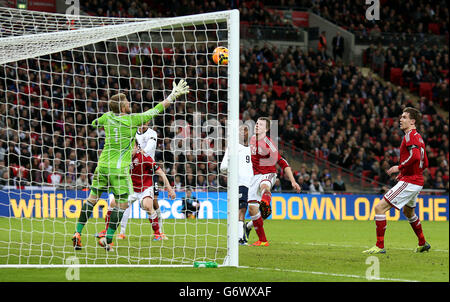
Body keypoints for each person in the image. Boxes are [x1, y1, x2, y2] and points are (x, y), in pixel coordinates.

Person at [72, 79, 189, 251]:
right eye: (127, 103)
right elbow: (157, 109)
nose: (129, 104)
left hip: (102, 165)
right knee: (122, 205)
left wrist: (103, 122)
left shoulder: (107, 117)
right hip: (119, 169)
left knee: (92, 199)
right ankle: (108, 239)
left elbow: (93, 123)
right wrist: (173, 95)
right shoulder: (134, 120)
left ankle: (77, 233)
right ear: (122, 107)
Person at [363, 107, 430, 254]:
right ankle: (423, 243)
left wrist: (399, 168)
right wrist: (407, 172)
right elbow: (425, 163)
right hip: (416, 181)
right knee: (409, 212)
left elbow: (416, 157)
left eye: (405, 117)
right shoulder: (418, 137)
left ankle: (379, 246)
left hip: (411, 181)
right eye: (401, 117)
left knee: (379, 208)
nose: (401, 120)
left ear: (412, 121)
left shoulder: (410, 136)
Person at [244, 117, 301, 246]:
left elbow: (282, 162)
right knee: (253, 210)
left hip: (268, 174)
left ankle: (266, 202)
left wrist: (293, 181)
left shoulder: (268, 143)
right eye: (257, 123)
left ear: (267, 129)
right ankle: (261, 239)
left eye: (261, 124)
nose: (257, 125)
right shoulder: (252, 139)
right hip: (254, 177)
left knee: (265, 186)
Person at [220, 125, 253, 245]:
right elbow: (223, 167)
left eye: (246, 131)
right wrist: (234, 167)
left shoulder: (252, 149)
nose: (244, 133)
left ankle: (247, 227)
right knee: (242, 208)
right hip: (240, 183)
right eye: (241, 130)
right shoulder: (233, 147)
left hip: (253, 185)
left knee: (261, 210)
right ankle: (239, 238)